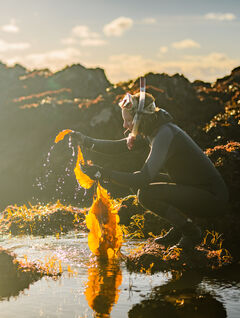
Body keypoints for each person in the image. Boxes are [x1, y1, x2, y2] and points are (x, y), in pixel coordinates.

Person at [72, 88, 229, 252]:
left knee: (145, 194)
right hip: (192, 187)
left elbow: (143, 178)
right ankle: (180, 226)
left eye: (128, 121)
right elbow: (118, 146)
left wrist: (102, 174)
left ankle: (191, 233)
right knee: (138, 182)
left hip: (211, 197)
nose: (124, 125)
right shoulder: (153, 129)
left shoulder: (164, 135)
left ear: (140, 119)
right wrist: (85, 140)